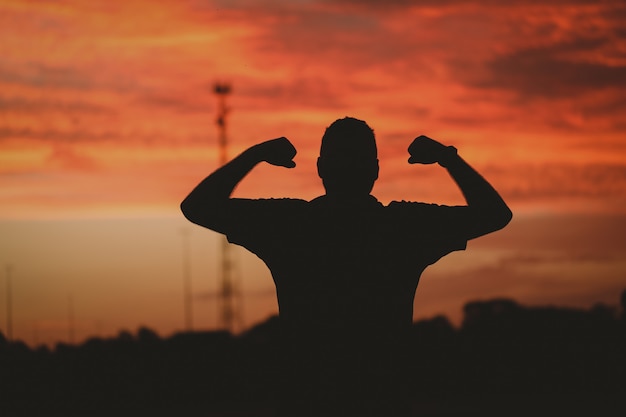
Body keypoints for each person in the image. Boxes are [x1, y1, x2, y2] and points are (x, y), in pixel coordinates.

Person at [181, 117, 512, 417]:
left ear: (322, 168)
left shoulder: (291, 225)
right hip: (383, 403)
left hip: (305, 404)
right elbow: (495, 214)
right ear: (375, 170)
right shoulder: (403, 226)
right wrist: (447, 158)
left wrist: (254, 155)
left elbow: (197, 206)